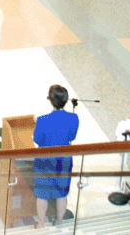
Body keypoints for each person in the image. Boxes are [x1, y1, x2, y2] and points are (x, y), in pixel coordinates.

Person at [33, 85, 79, 228]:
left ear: (51, 100)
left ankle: (41, 224)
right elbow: (71, 136)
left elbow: (38, 140)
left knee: (42, 195)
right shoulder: (74, 118)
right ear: (65, 100)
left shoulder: (42, 120)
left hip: (45, 162)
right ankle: (59, 223)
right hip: (64, 161)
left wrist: (37, 123)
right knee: (61, 194)